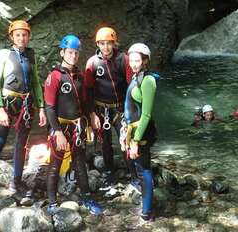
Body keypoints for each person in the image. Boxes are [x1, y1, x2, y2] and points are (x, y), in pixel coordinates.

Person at [0, 20, 47, 208]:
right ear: (11, 37)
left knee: (21, 146)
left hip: (26, 106)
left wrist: (41, 107)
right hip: (8, 105)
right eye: (18, 35)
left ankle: (16, 182)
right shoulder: (2, 55)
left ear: (29, 36)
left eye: (25, 35)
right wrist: (0, 109)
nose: (22, 38)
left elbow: (36, 82)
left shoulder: (31, 55)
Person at [43, 35, 103, 215]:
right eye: (70, 52)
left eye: (76, 53)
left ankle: (86, 197)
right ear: (62, 52)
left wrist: (92, 117)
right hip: (60, 127)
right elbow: (49, 107)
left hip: (77, 127)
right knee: (55, 164)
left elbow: (85, 102)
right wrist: (57, 132)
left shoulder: (79, 77)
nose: (73, 56)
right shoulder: (55, 77)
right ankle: (52, 202)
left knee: (79, 162)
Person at [84, 27, 132, 182]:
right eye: (102, 43)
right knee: (105, 143)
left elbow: (130, 84)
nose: (106, 47)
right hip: (101, 109)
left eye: (109, 43)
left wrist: (130, 109)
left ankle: (133, 174)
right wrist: (91, 114)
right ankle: (109, 172)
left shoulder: (123, 59)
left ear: (114, 43)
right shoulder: (92, 63)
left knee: (125, 140)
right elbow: (88, 90)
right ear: (98, 44)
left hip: (119, 108)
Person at [122, 43, 157, 223]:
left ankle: (147, 211)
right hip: (134, 130)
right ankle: (147, 205)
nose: (134, 64)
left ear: (145, 61)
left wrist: (135, 140)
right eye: (132, 60)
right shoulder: (136, 77)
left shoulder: (148, 81)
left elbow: (146, 114)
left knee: (144, 169)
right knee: (139, 167)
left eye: (138, 60)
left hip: (141, 132)